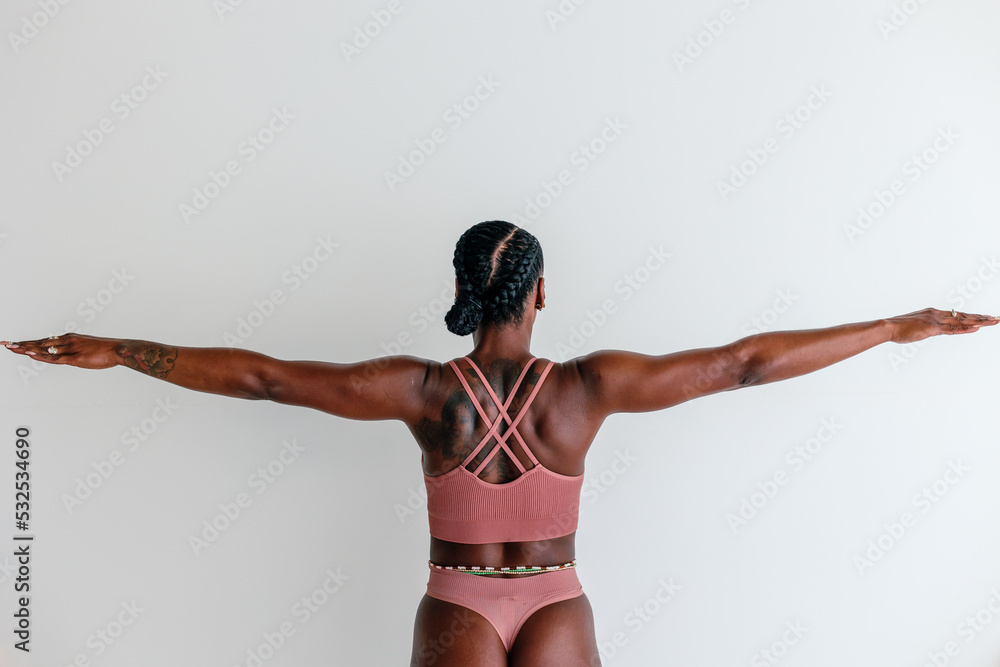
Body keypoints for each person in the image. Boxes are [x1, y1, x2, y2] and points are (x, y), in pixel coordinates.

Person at [3, 220, 996, 666]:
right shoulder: (588, 388)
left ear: (462, 292)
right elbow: (741, 365)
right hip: (556, 598)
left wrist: (122, 349)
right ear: (540, 291)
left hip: (458, 604)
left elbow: (265, 378)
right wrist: (891, 326)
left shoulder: (424, 391)